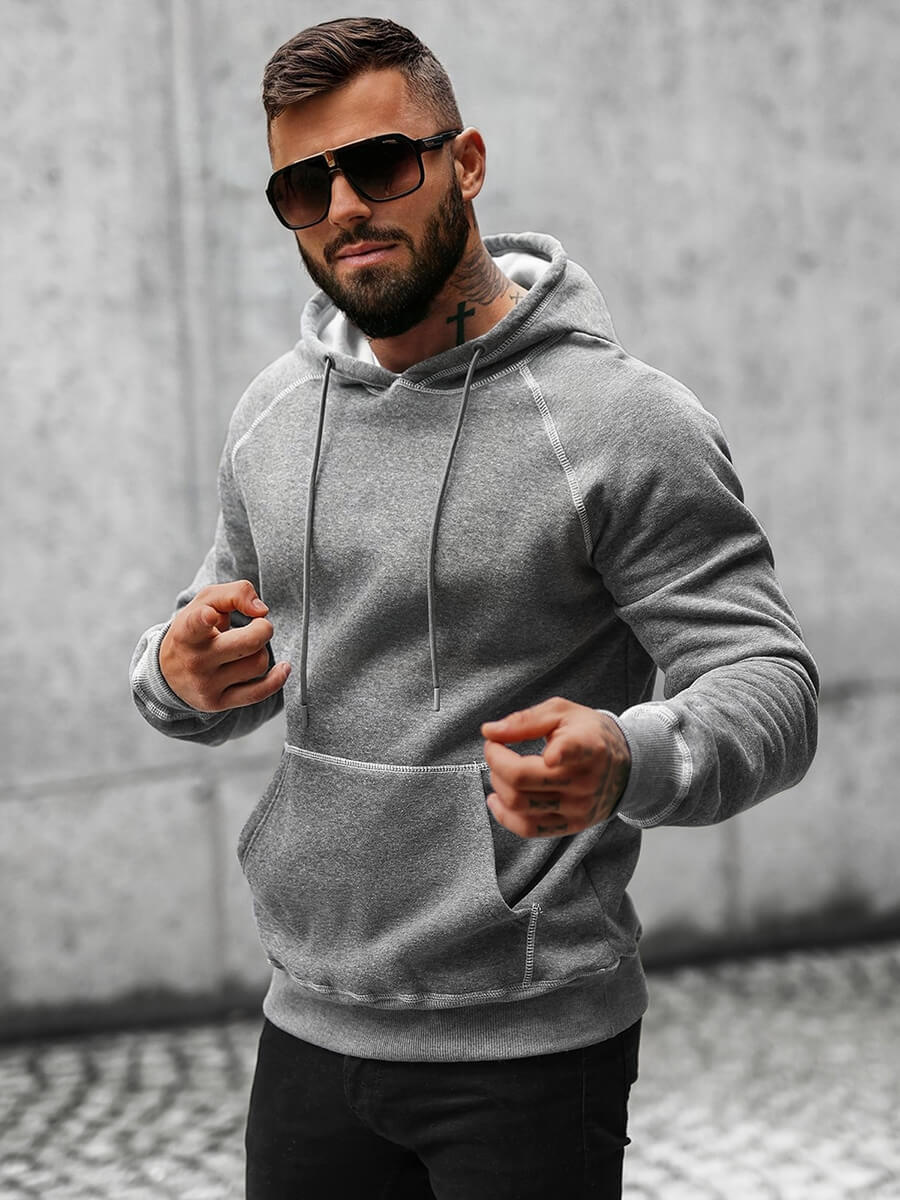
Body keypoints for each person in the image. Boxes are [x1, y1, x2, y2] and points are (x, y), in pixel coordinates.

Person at [130, 17, 818, 1199]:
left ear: (467, 162)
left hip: (531, 1042)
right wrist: (174, 674)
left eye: (380, 162)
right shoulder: (273, 413)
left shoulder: (620, 422)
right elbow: (215, 643)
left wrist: (630, 754)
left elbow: (770, 682)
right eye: (304, 185)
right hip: (308, 1020)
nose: (345, 205)